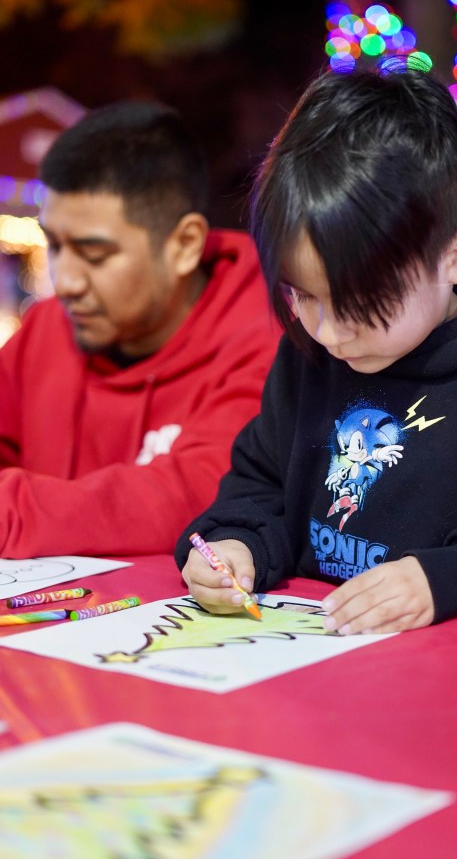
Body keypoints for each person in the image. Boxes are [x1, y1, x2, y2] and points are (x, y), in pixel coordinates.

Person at [175, 61, 457, 633]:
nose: (329, 332)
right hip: (305, 673)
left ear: (456, 256)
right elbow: (259, 483)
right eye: (303, 296)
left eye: (361, 304)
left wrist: (450, 578)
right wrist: (237, 545)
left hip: (454, 699)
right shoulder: (310, 353)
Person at [0, 100, 281, 557]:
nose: (65, 281)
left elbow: (204, 495)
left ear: (184, 244)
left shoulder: (268, 335)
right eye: (54, 245)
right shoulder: (49, 326)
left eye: (94, 254)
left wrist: (15, 514)